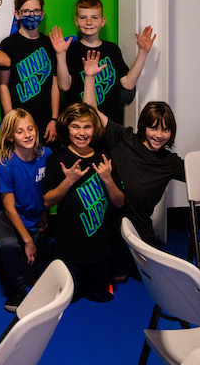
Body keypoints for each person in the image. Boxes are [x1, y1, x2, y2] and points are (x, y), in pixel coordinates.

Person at [78, 49, 200, 281]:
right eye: (153, 128)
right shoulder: (124, 137)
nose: (159, 135)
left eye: (165, 130)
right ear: (143, 127)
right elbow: (91, 112)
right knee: (113, 275)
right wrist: (90, 76)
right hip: (107, 221)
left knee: (151, 276)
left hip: (139, 228)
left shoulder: (169, 162)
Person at [42, 102, 124, 302]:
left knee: (101, 297)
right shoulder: (57, 159)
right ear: (67, 128)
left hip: (99, 248)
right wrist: (69, 180)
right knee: (69, 299)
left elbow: (119, 202)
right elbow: (47, 202)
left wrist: (108, 179)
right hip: (69, 247)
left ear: (95, 129)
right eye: (75, 126)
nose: (81, 132)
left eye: (87, 127)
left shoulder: (105, 158)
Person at [59, 0, 155, 124]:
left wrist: (143, 52)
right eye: (83, 17)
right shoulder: (71, 49)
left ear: (102, 21)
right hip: (79, 124)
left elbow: (128, 83)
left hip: (109, 124)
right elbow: (64, 86)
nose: (89, 22)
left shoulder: (112, 49)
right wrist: (60, 54)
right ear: (76, 21)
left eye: (94, 17)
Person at [0, 108, 51, 311]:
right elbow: (9, 208)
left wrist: (44, 213)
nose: (27, 135)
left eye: (30, 129)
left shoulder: (45, 155)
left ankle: (30, 270)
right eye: (20, 131)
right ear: (10, 137)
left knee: (41, 262)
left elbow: (45, 189)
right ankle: (17, 290)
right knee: (9, 245)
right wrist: (27, 241)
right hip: (7, 214)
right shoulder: (5, 164)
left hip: (33, 213)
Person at [0, 0, 61, 143]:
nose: (31, 15)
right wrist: (11, 120)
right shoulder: (8, 44)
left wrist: (54, 119)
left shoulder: (49, 43)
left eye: (36, 10)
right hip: (19, 123)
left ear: (42, 14)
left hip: (46, 123)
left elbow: (55, 84)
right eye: (26, 11)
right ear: (17, 14)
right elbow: (3, 85)